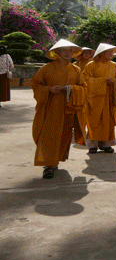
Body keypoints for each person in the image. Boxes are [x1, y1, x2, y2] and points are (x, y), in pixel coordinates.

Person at [30, 39, 86, 179]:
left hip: (67, 109)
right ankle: (49, 165)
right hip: (50, 109)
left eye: (70, 51)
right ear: (57, 52)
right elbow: (36, 85)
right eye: (64, 50)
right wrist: (49, 89)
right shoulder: (46, 69)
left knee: (62, 137)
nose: (67, 53)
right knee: (48, 136)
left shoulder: (76, 70)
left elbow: (84, 88)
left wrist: (71, 89)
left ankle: (55, 161)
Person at [82, 43, 116, 154]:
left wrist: (114, 81)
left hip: (109, 98)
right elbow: (85, 80)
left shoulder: (114, 65)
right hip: (94, 99)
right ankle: (92, 144)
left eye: (112, 52)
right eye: (108, 52)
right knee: (94, 121)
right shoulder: (91, 65)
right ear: (101, 53)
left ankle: (106, 144)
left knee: (108, 121)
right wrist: (103, 81)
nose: (111, 54)